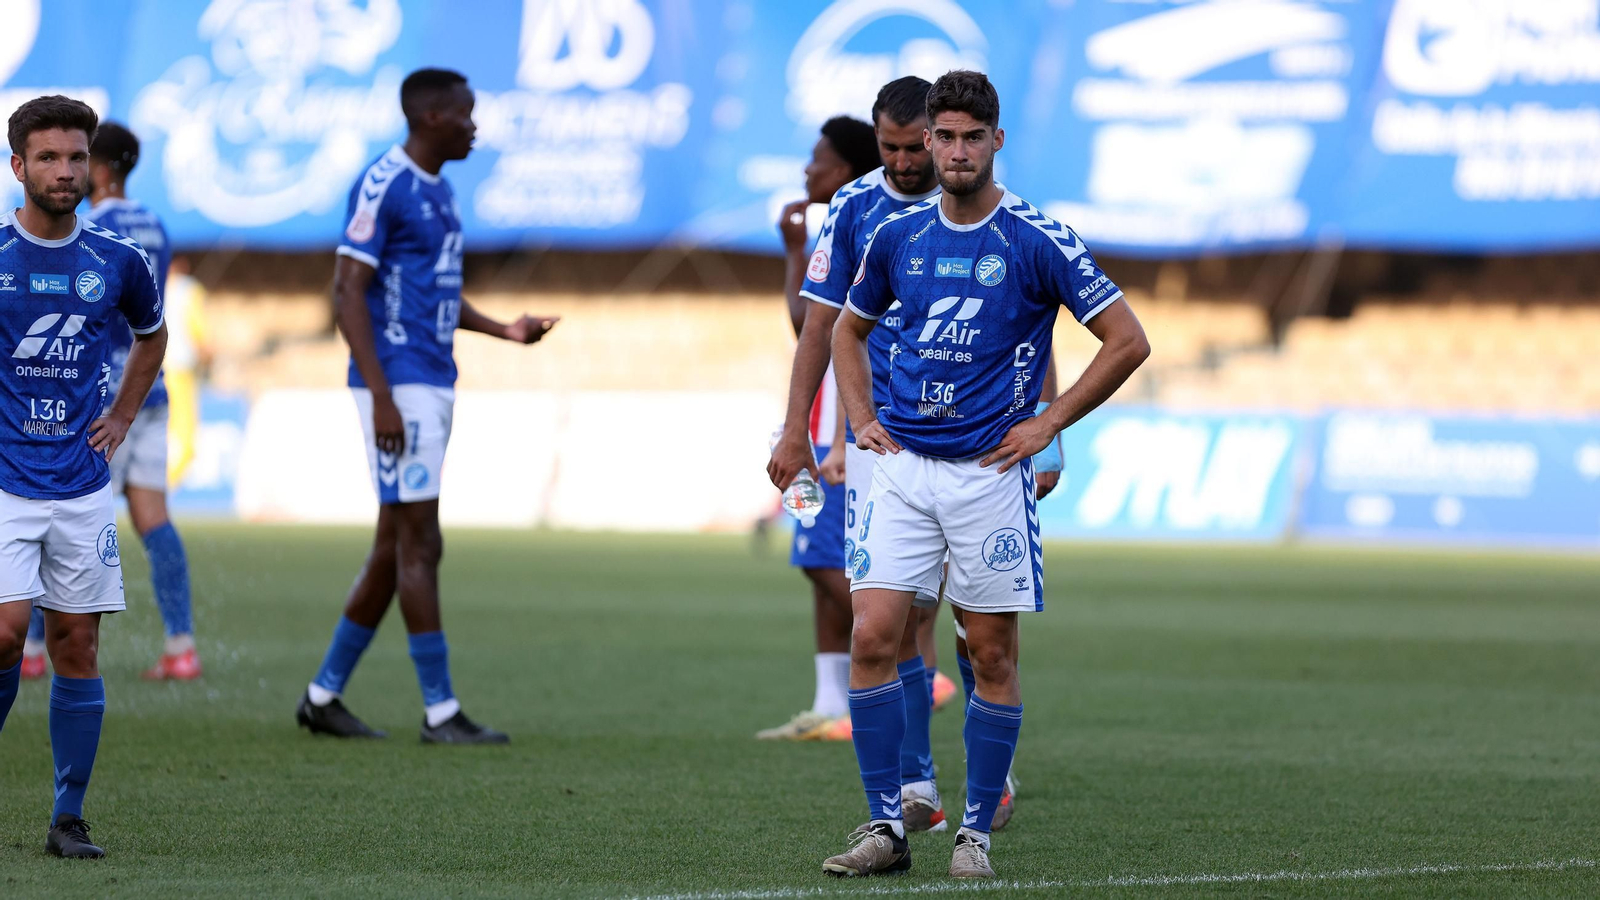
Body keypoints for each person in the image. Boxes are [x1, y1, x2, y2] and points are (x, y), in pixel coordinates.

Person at [822, 70, 1150, 879]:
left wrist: (1049, 422)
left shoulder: (1037, 238)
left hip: (989, 475)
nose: (958, 151)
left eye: (974, 137)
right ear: (928, 140)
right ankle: (886, 826)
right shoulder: (896, 235)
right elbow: (846, 331)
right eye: (946, 136)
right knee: (873, 635)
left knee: (992, 655)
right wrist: (860, 420)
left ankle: (974, 834)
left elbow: (1128, 340)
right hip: (902, 468)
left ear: (996, 140)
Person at [294, 68, 558, 744]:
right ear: (433, 116)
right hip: (400, 382)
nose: (475, 127)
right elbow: (347, 290)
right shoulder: (384, 183)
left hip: (432, 376)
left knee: (394, 544)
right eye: (467, 114)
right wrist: (382, 395)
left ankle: (322, 696)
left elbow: (434, 288)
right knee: (421, 540)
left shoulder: (440, 190)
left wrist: (504, 330)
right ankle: (441, 712)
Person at [0, 95, 169, 858]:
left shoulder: (117, 260)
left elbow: (152, 336)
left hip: (81, 483)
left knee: (76, 644)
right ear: (19, 167)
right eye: (48, 158)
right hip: (5, 482)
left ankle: (67, 819)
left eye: (75, 157)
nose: (65, 171)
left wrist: (124, 414)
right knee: (6, 632)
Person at [20, 121, 198, 682]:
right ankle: (181, 643)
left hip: (98, 398)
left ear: (96, 168)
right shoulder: (155, 224)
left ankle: (30, 649)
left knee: (54, 512)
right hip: (150, 390)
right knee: (154, 518)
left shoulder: (97, 230)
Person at [756, 115, 878, 742]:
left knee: (826, 558)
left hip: (844, 433)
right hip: (821, 424)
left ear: (846, 170)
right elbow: (806, 323)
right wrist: (793, 253)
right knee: (816, 559)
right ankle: (830, 705)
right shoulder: (838, 229)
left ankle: (909, 657)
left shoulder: (867, 226)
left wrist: (835, 436)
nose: (807, 170)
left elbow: (844, 336)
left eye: (818, 159)